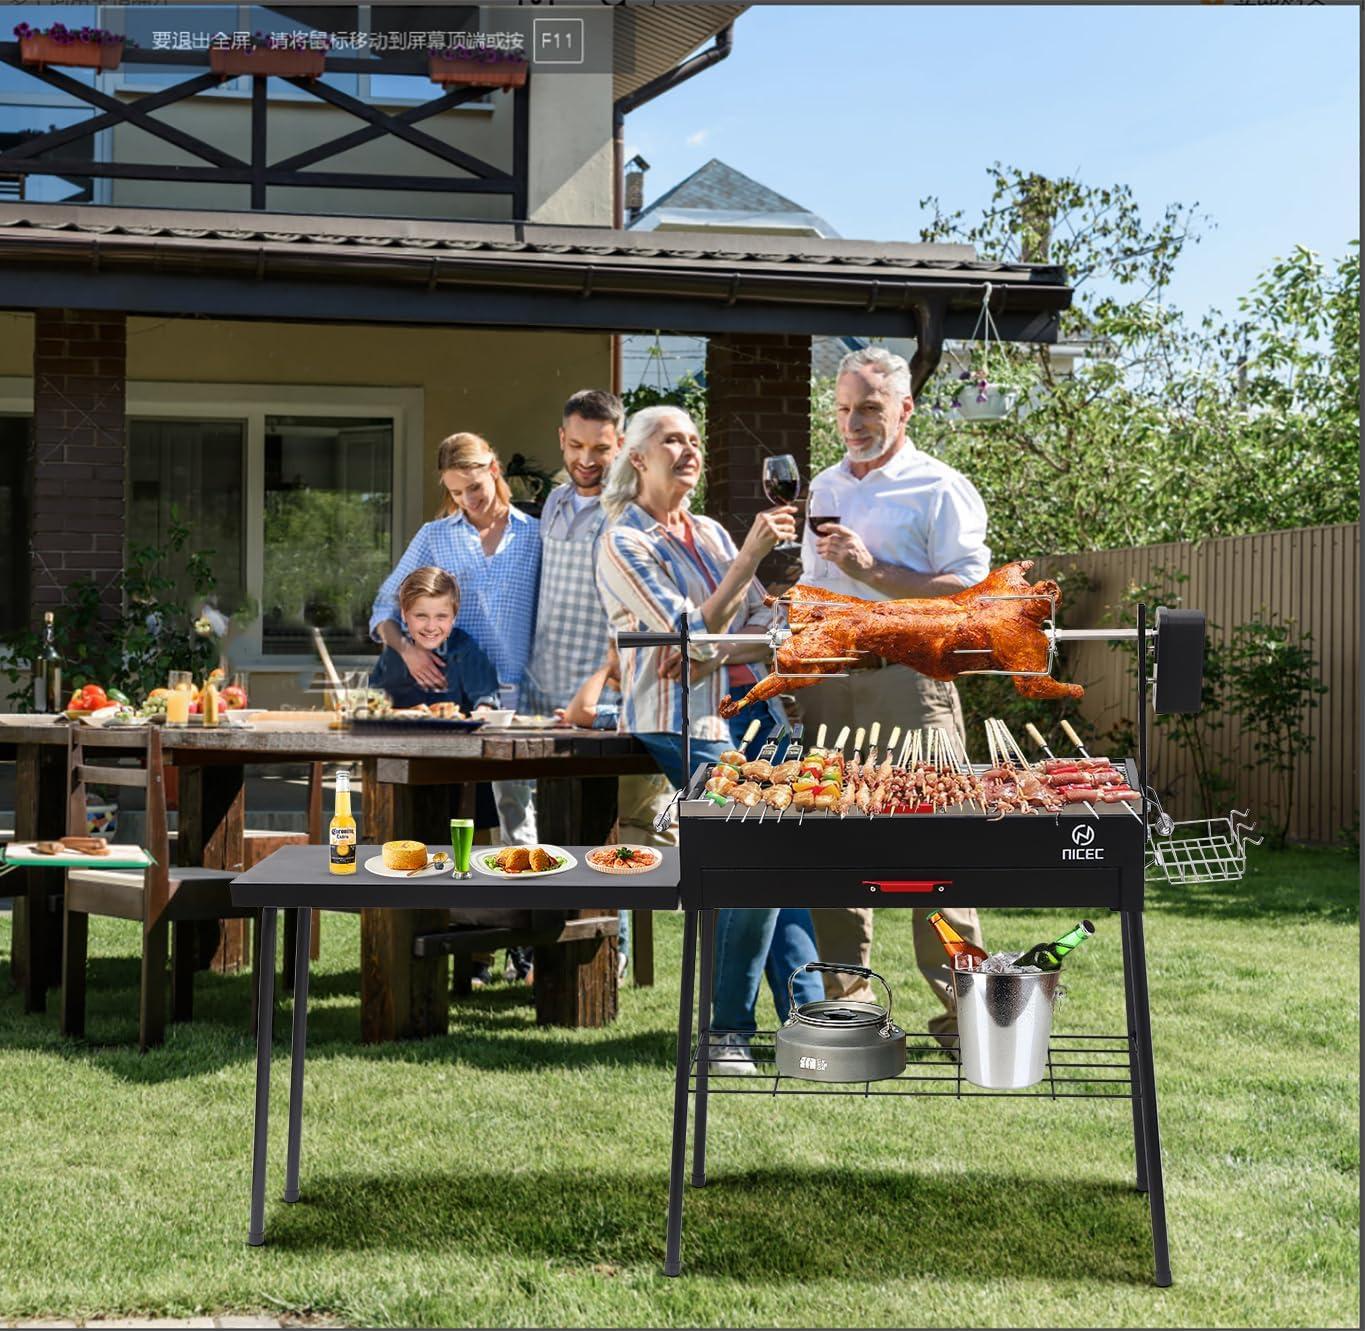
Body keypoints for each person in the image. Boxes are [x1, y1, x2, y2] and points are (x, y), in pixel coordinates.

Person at [596, 404, 823, 1071]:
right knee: (755, 845)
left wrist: (706, 645)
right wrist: (745, 566)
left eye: (696, 438)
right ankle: (725, 1032)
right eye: (673, 439)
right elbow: (689, 637)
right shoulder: (623, 540)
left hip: (742, 708)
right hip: (675, 716)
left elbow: (756, 633)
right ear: (638, 457)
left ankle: (807, 1019)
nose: (689, 448)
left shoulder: (708, 534)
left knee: (789, 847)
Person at [798, 345, 991, 1040]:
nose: (853, 422)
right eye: (844, 409)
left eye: (869, 409)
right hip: (829, 684)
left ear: (905, 409)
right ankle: (849, 1012)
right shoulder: (822, 486)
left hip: (910, 683)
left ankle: (966, 1018)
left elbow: (968, 595)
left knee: (935, 844)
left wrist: (875, 571)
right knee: (832, 846)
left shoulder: (939, 486)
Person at [520, 389, 678, 979]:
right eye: (578, 446)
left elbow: (640, 613)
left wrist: (603, 676)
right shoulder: (555, 503)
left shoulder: (635, 513)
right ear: (561, 440)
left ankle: (608, 952)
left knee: (613, 827)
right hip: (544, 692)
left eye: (602, 449)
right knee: (545, 827)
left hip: (611, 694)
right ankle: (544, 945)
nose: (588, 459)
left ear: (623, 449)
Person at [369, 432, 542, 847]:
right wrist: (409, 652)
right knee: (441, 821)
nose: (468, 499)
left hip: (516, 702)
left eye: (475, 487)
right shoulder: (435, 536)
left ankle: (530, 903)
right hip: (449, 703)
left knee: (519, 819)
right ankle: (447, 907)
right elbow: (383, 608)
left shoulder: (536, 535)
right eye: (457, 492)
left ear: (494, 470)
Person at [368, 566, 500, 713]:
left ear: (454, 617)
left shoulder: (464, 649)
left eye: (441, 617)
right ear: (404, 615)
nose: (431, 627)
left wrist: (484, 710)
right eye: (421, 616)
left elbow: (486, 698)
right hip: (399, 732)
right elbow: (374, 697)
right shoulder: (394, 654)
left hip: (455, 734)